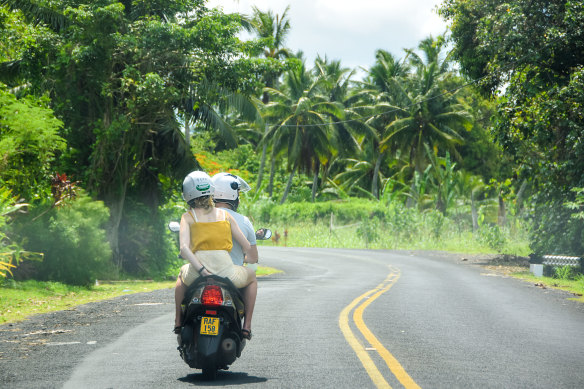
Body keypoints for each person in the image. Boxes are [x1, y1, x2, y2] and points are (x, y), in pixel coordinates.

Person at [173, 171, 258, 340]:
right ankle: (247, 326)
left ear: (187, 194)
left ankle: (177, 320)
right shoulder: (225, 215)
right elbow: (247, 246)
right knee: (252, 278)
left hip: (197, 273)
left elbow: (184, 249)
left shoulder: (188, 217)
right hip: (227, 272)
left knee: (181, 277)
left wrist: (202, 270)